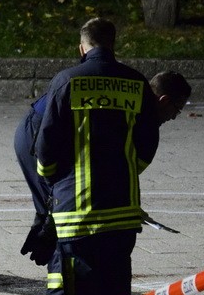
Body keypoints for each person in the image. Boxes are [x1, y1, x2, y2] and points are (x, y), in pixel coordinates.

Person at [32, 18, 191, 295]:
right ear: (113, 44)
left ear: (82, 47)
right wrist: (127, 172)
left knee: (72, 281)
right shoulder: (135, 83)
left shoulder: (66, 81)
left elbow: (46, 145)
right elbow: (148, 142)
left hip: (77, 207)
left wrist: (52, 180)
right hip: (121, 209)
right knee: (115, 280)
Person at [15, 69, 193, 267]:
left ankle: (64, 267)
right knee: (59, 212)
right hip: (37, 131)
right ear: (164, 100)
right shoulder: (139, 109)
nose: (174, 118)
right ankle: (62, 276)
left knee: (59, 210)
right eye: (177, 110)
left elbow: (104, 164)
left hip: (48, 126)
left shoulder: (131, 98)